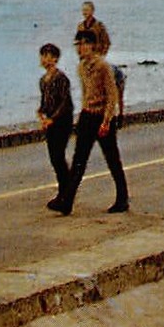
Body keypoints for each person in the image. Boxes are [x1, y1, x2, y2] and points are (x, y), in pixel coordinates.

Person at [53, 29, 129, 214]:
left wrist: (106, 121)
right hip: (87, 116)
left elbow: (111, 96)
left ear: (92, 45)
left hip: (102, 116)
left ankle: (123, 199)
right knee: (79, 160)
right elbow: (86, 94)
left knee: (112, 159)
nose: (80, 48)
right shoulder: (81, 67)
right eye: (78, 44)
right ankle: (67, 202)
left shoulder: (103, 66)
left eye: (84, 44)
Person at [38, 42, 74, 210]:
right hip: (51, 122)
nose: (45, 59)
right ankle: (64, 193)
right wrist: (41, 114)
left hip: (62, 122)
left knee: (58, 157)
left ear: (56, 59)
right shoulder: (43, 80)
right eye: (43, 55)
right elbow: (45, 102)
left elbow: (65, 102)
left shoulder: (61, 78)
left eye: (49, 56)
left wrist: (52, 119)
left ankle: (65, 194)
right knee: (54, 158)